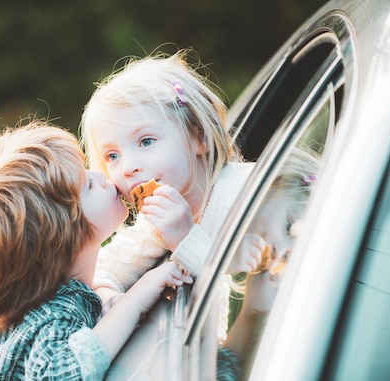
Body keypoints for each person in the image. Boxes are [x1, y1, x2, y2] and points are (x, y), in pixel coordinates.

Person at [0, 120, 192, 380]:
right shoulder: (57, 313)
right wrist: (134, 302)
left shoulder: (26, 307)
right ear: (65, 240)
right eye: (88, 185)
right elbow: (62, 375)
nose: (101, 176)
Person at [79, 49, 262, 340]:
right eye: (112, 156)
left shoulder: (251, 190)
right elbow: (103, 271)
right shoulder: (155, 225)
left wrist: (185, 238)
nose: (128, 167)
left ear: (198, 136)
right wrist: (108, 296)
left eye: (146, 140)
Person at [219, 146, 322, 379]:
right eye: (288, 226)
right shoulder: (209, 200)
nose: (277, 253)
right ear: (277, 183)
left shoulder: (226, 278)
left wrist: (253, 313)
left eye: (287, 258)